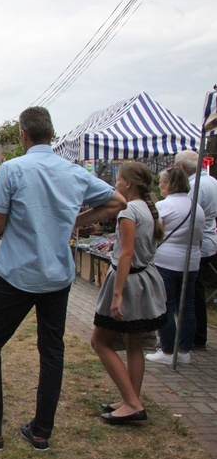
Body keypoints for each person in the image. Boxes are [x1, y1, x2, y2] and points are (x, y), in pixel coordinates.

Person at [0, 107, 125, 452]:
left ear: (23, 135)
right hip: (57, 274)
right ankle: (41, 431)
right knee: (52, 350)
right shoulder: (72, 171)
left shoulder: (12, 169)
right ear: (51, 133)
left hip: (18, 272)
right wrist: (74, 221)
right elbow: (117, 201)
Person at [88, 162, 166, 425]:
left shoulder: (129, 210)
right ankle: (132, 398)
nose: (116, 183)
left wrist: (118, 293)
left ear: (129, 184)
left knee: (99, 342)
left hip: (129, 282)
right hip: (146, 279)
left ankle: (131, 402)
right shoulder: (149, 209)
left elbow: (126, 253)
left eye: (119, 179)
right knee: (134, 344)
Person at [145, 168, 204, 366]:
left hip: (167, 260)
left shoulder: (163, 206)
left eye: (162, 182)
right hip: (192, 260)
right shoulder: (197, 207)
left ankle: (168, 350)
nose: (160, 185)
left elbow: (154, 234)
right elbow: (200, 237)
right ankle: (185, 350)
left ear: (168, 184)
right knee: (187, 306)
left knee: (166, 306)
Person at [174, 150, 217, 348]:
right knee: (195, 292)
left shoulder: (195, 186)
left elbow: (190, 216)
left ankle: (196, 336)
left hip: (198, 242)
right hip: (208, 238)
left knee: (192, 295)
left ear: (182, 168)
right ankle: (198, 334)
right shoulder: (212, 181)